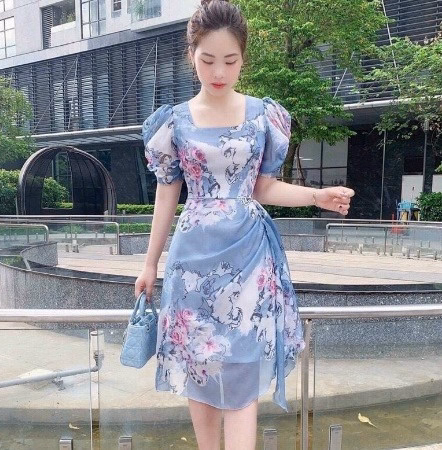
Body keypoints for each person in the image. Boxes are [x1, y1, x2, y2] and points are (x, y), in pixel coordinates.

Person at [135, 0, 355, 448]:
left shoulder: (262, 115)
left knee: (241, 368)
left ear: (243, 59)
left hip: (248, 258)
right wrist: (150, 263)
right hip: (192, 261)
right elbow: (166, 194)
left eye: (230, 61)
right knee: (198, 365)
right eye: (208, 60)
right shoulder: (173, 122)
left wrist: (316, 196)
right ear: (191, 55)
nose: (219, 72)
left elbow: (263, 188)